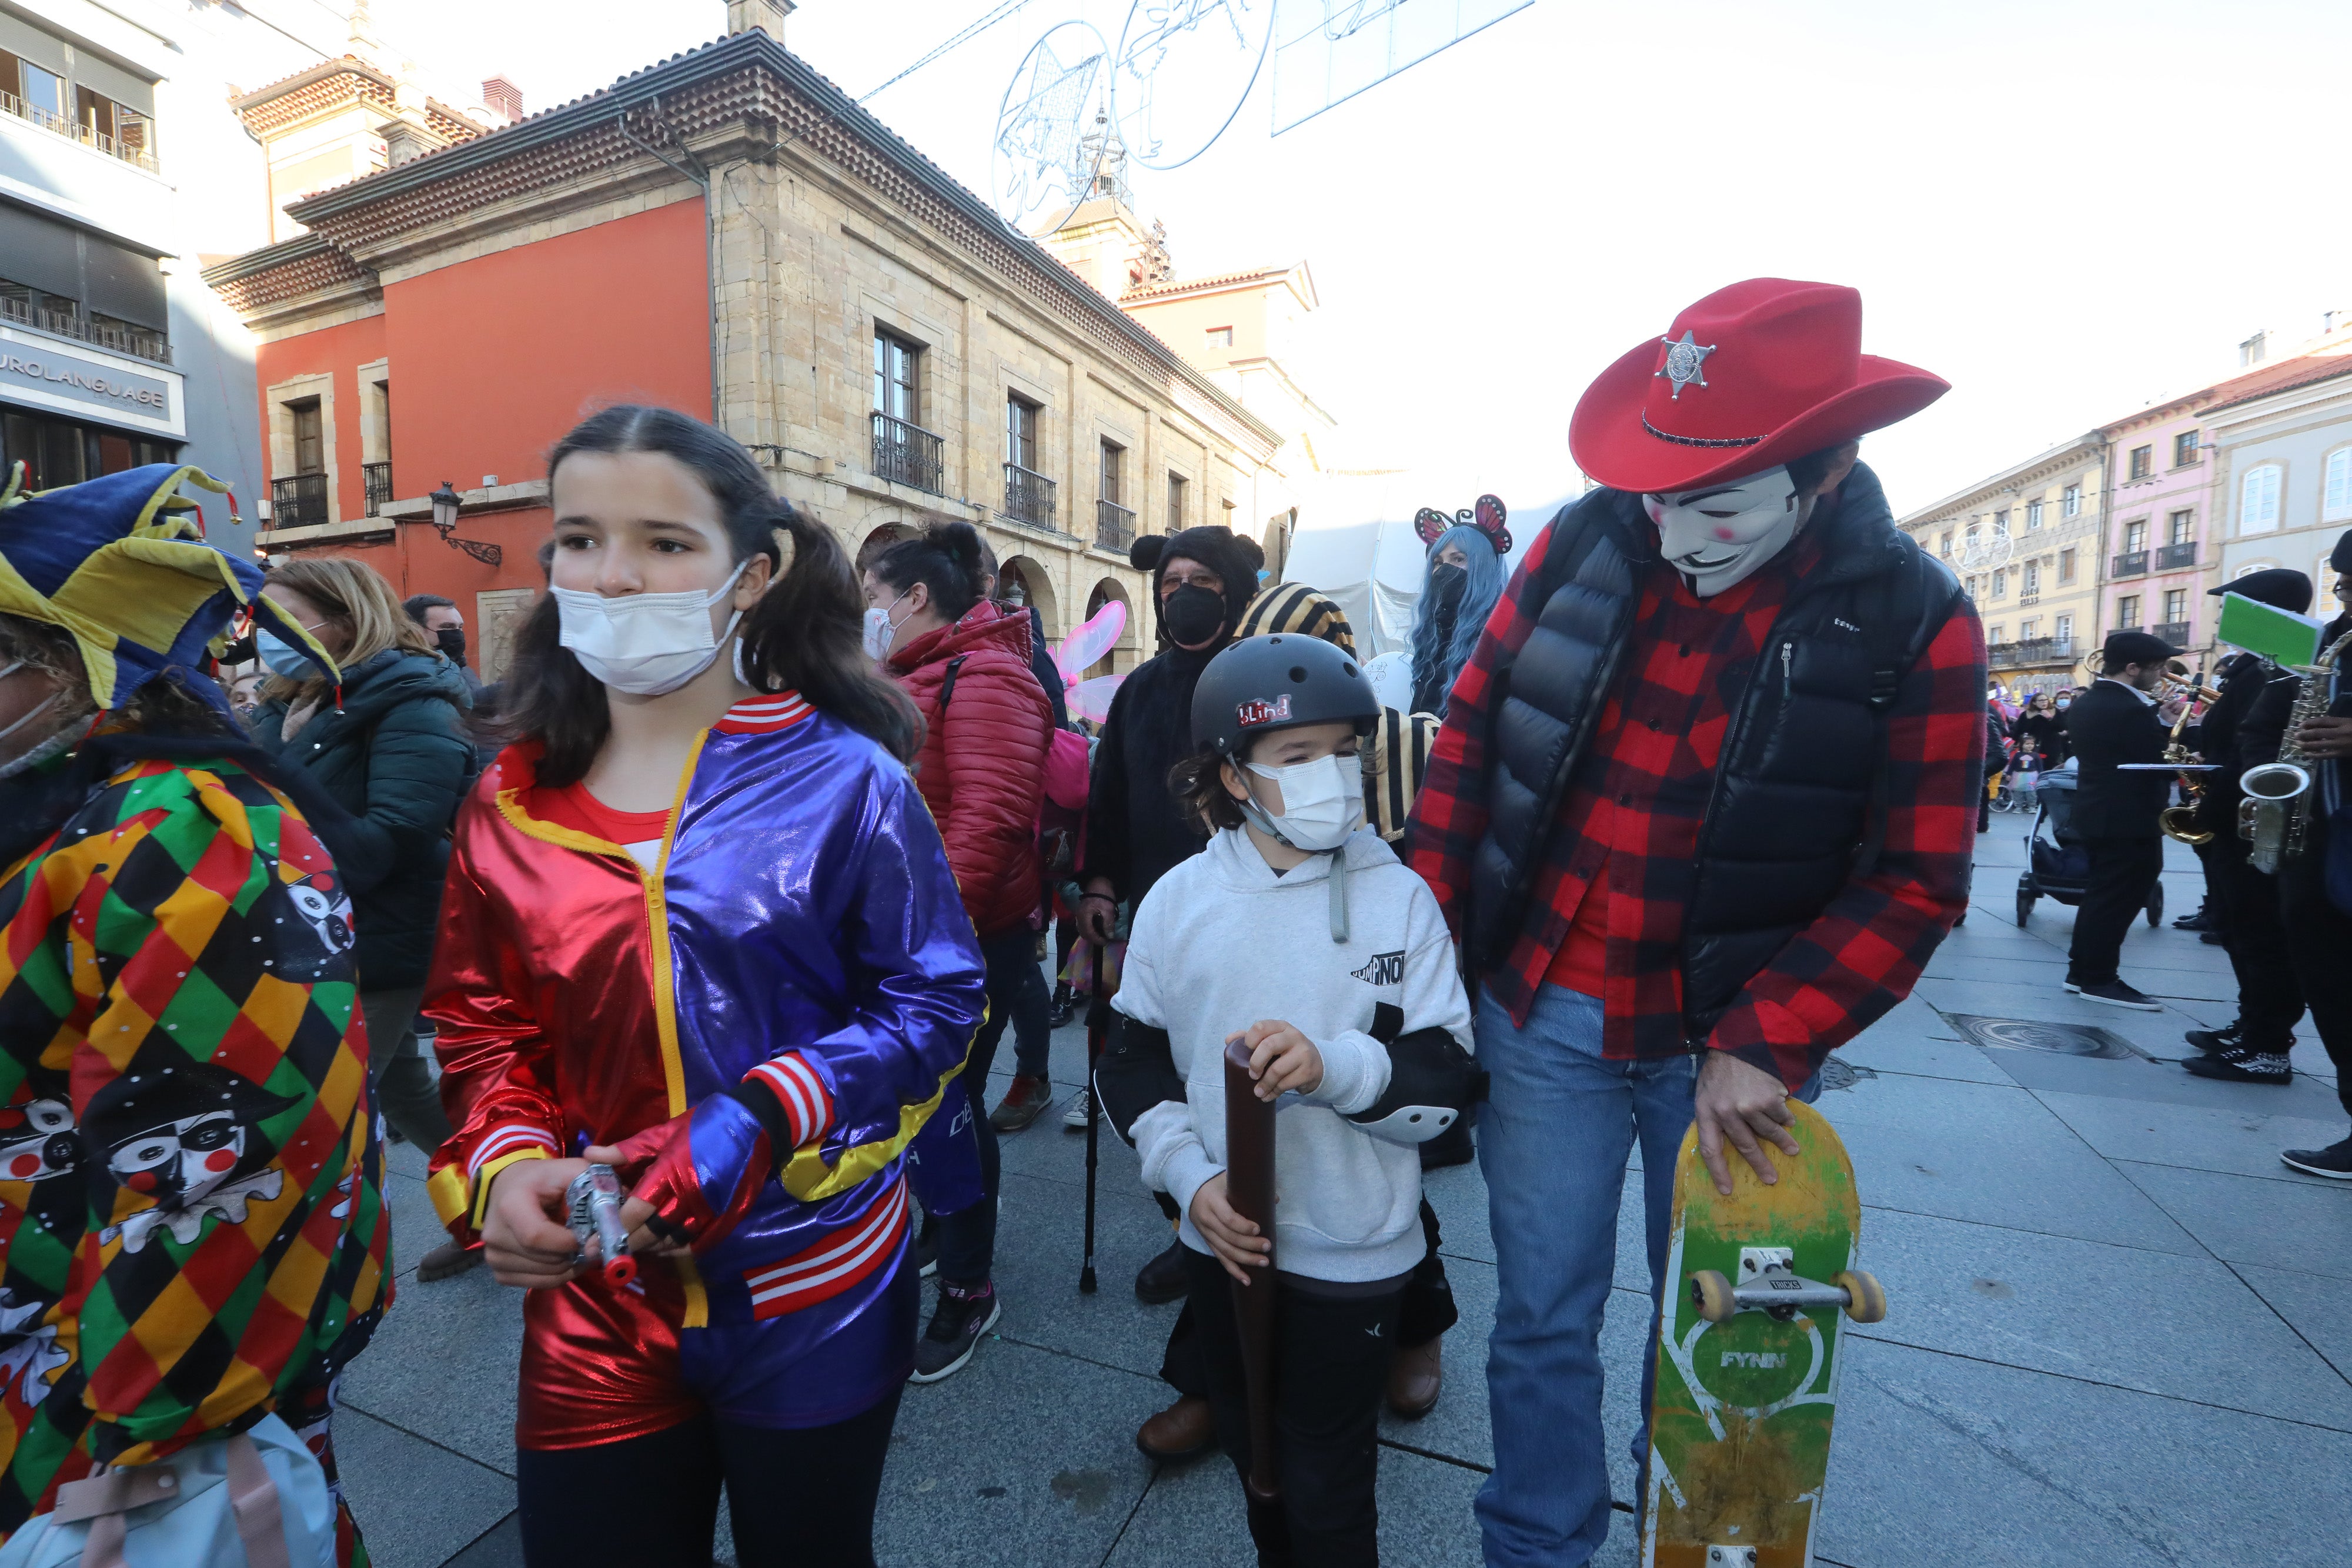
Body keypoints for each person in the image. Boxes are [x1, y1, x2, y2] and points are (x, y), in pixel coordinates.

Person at [1404, 279, 1984, 1568]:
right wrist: (1436, 940)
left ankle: (1694, 1536)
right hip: (1538, 1003)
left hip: (1722, 1049)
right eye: (1660, 488)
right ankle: (1534, 1547)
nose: (1672, 527)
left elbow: (1916, 874)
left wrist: (1768, 1034)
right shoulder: (1581, 541)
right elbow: (1472, 735)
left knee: (1720, 1322)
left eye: (1713, 499)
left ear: (1825, 470)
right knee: (1539, 1317)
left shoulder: (1914, 617)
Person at [423, 406, 982, 1566]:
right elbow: (479, 1026)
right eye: (579, 538)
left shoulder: (849, 781)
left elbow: (933, 1000)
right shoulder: (508, 798)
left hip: (814, 1274)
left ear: (751, 574)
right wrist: (505, 1164)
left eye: (665, 543)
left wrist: (761, 1109)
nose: (614, 576)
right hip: (595, 1287)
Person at [0, 463, 387, 1559]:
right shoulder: (49, 797)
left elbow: (228, 1148)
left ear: (90, 667)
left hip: (105, 1363)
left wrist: (151, 1424)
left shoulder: (186, 831)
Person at [1101, 633, 1476, 1567]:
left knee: (1325, 1474)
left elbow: (1448, 1076)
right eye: (1298, 757)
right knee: (1251, 1448)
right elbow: (1130, 1057)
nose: (1333, 777)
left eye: (1346, 751)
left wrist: (1335, 1068)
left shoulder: (1401, 898)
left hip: (1354, 1248)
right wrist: (1190, 1182)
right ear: (1232, 775)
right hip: (1222, 1237)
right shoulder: (1178, 900)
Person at [250, 559, 479, 1281]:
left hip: (380, 936)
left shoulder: (415, 700)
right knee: (407, 1085)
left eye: (283, 619)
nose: (266, 637)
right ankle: (490, 1200)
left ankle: (292, 1280)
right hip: (299, 929)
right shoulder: (286, 700)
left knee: (322, 1104)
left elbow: (392, 841)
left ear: (344, 617)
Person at [864, 521, 1053, 1380]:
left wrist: (933, 942)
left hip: (970, 937)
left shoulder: (987, 675)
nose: (866, 613)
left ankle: (971, 1288)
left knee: (951, 1103)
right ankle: (945, 1229)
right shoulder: (910, 675)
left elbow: (991, 817)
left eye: (873, 596)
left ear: (914, 597)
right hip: (920, 935)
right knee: (934, 1101)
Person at [1069, 523, 1263, 1295]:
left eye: (1203, 581)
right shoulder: (1141, 689)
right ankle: (1193, 1224)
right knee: (1149, 1083)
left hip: (1251, 920)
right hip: (1153, 918)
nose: (1182, 593)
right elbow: (1108, 795)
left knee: (1238, 1083)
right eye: (1171, 580)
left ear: (1234, 591)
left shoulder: (1257, 678)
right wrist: (1098, 883)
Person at [2176, 570, 2314, 1071]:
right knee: (2238, 928)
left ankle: (2267, 1046)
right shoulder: (2255, 668)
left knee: (2260, 934)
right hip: (2230, 816)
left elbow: (2252, 750)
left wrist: (2211, 809)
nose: (2220, 618)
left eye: (2231, 607)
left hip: (2249, 819)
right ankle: (2251, 1022)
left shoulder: (2279, 671)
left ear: (2263, 611)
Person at [2250, 531, 2352, 1167]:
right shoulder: (2331, 642)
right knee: (2330, 980)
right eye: (2344, 588)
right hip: (2319, 837)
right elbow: (2265, 719)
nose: (2348, 601)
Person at [2060, 629, 2187, 1010]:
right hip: (2127, 816)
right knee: (2118, 898)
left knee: (2101, 895)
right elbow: (2157, 766)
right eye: (2157, 667)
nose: (2163, 674)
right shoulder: (2131, 709)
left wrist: (2160, 724)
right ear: (2133, 668)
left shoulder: (2090, 701)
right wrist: (2177, 737)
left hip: (2099, 812)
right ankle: (2099, 978)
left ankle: (2081, 972)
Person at [1408, 498, 1509, 717]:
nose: (1444, 570)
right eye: (1438, 562)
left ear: (1484, 568)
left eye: (1458, 559)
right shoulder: (1432, 635)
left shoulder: (1499, 640)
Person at [404, 591, 483, 691]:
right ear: (417, 631)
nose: (457, 633)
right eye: (447, 627)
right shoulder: (411, 676)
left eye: (460, 627)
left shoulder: (464, 669)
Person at [2013, 690, 2066, 771]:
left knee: (2049, 768)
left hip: (2052, 746)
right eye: (2041, 700)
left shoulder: (2054, 711)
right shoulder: (2027, 714)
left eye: (2046, 700)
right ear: (2034, 702)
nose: (2044, 702)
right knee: (2032, 768)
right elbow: (2019, 730)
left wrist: (2050, 718)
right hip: (2032, 746)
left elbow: (2062, 727)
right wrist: (2016, 742)